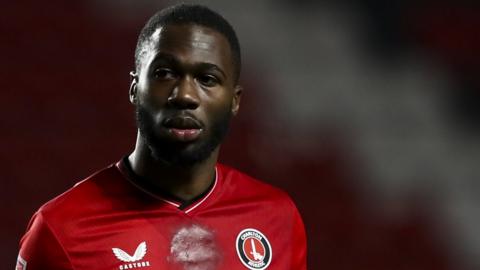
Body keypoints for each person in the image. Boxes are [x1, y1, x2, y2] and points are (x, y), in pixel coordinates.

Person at [16, 4, 307, 270]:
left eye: (207, 79)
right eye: (165, 73)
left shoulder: (277, 217)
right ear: (134, 88)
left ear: (235, 100)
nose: (185, 95)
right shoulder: (60, 230)